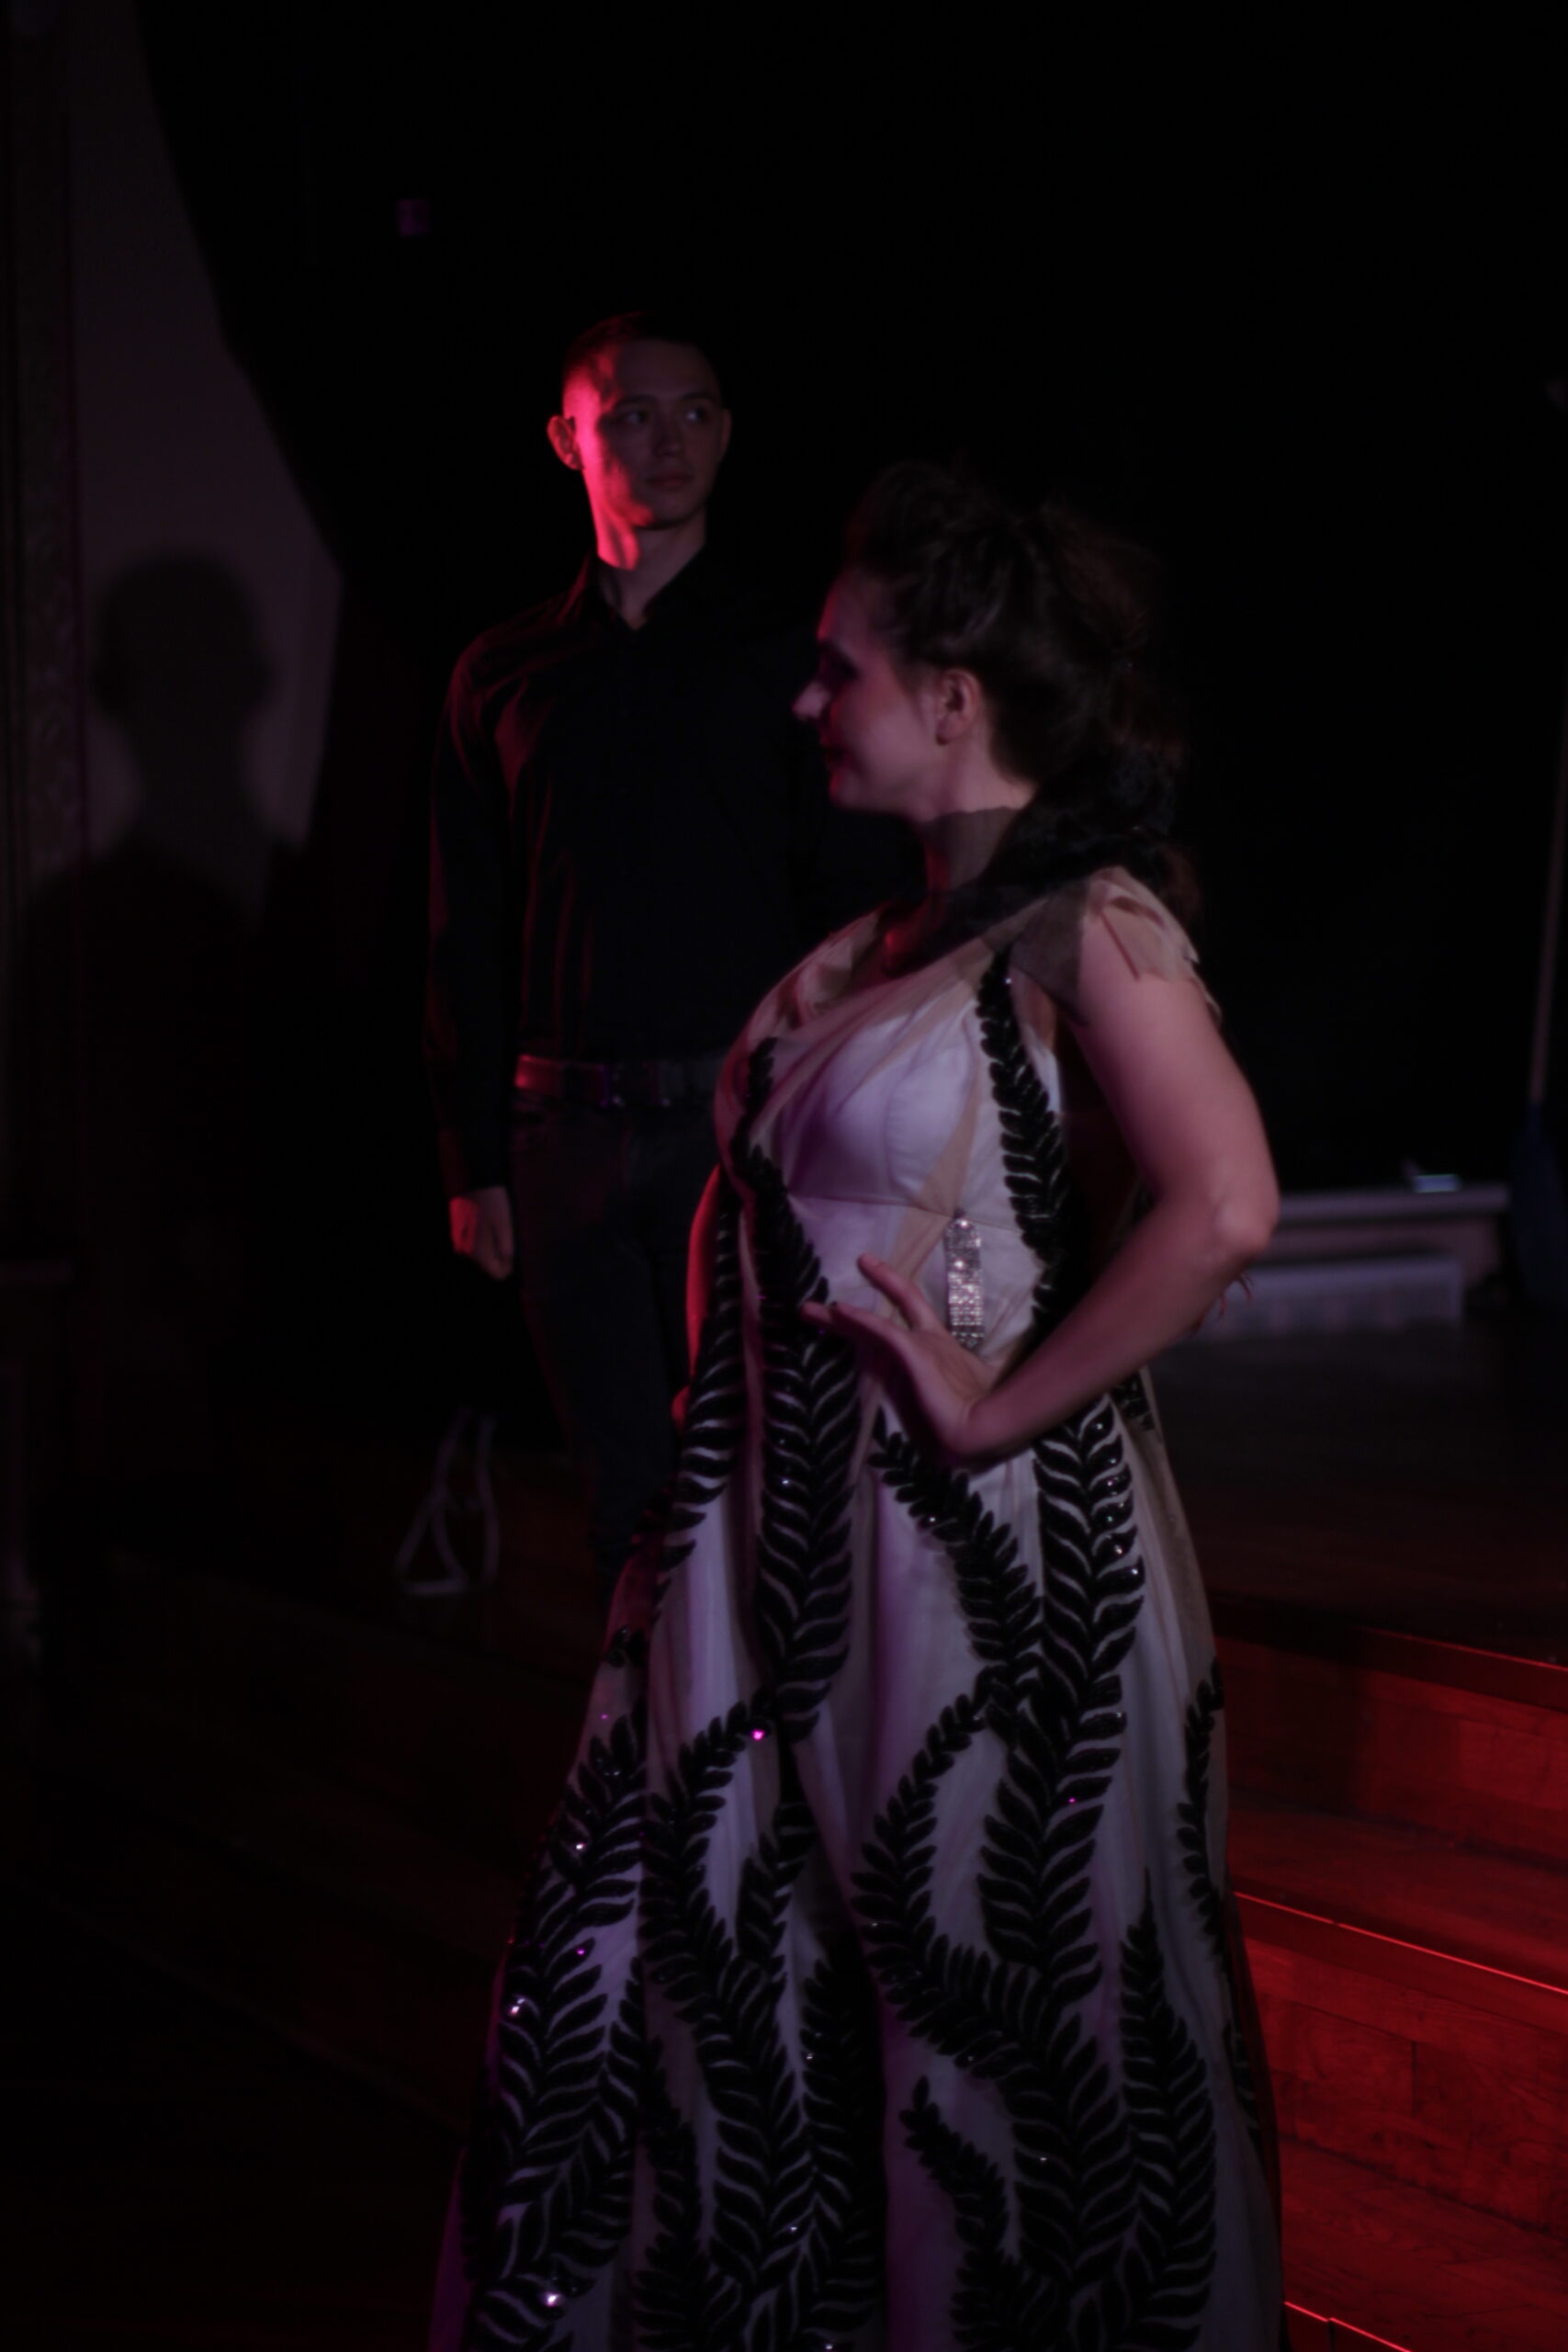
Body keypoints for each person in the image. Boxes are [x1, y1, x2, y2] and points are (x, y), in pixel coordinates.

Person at [432, 463, 1286, 2348]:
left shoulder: (1085, 924)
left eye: (839, 669)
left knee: (978, 2007)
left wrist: (994, 1408)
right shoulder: (875, 941)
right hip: (771, 1536)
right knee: (700, 1973)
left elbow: (1225, 1203)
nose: (804, 697)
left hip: (967, 1561)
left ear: (954, 697)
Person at [425, 311, 908, 1599]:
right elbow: (470, 925)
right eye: (633, 414)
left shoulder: (792, 652)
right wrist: (476, 1159)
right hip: (563, 1136)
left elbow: (852, 903)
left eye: (694, 412)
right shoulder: (505, 672)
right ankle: (649, 1736)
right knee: (623, 1501)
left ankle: (768, 1731)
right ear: (568, 438)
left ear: (729, 433)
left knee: (767, 1484)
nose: (668, 440)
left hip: (737, 1125)